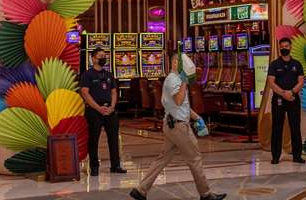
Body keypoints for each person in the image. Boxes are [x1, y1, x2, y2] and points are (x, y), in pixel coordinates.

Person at [130, 53, 225, 200]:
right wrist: (185, 82)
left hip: (172, 125)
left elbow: (183, 105)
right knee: (195, 158)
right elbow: (179, 101)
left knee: (163, 158)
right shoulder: (173, 80)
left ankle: (140, 189)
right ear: (175, 63)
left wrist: (197, 118)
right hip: (179, 126)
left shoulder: (176, 79)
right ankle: (206, 194)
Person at [78, 47, 125, 176]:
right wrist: (98, 108)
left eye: (104, 56)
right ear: (93, 59)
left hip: (109, 110)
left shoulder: (108, 74)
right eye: (100, 56)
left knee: (114, 139)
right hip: (94, 111)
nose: (103, 58)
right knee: (93, 140)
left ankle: (115, 165)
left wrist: (112, 107)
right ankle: (94, 167)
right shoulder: (87, 75)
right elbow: (85, 93)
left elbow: (114, 91)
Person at [266, 38, 305, 164]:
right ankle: (275, 156)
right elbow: (271, 83)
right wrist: (284, 94)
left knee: (295, 127)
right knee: (277, 128)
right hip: (278, 100)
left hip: (294, 99)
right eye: (282, 46)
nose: (284, 48)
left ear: (290, 47)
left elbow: (301, 81)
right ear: (279, 48)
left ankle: (297, 156)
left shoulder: (297, 64)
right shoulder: (274, 64)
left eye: (286, 46)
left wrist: (291, 92)